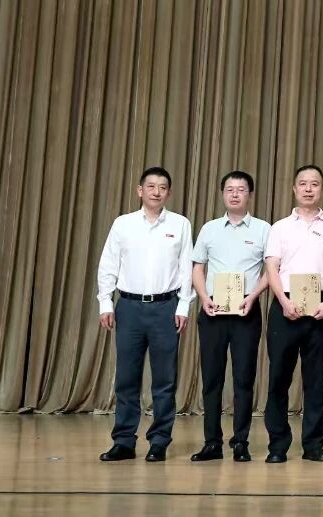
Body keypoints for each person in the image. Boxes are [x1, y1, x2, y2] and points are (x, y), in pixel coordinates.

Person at [96, 166, 194, 463]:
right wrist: (105, 302)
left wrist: (183, 306)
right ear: (140, 190)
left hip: (165, 308)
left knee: (164, 380)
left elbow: (186, 268)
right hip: (129, 307)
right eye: (150, 186)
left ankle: (159, 441)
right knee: (127, 378)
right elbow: (109, 263)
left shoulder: (180, 224)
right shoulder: (123, 224)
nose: (156, 192)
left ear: (169, 193)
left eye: (162, 187)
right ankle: (123, 441)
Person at [189, 170, 270, 463]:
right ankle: (211, 442)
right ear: (223, 194)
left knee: (243, 379)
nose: (235, 194)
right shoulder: (209, 229)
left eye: (241, 189)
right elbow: (198, 268)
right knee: (211, 379)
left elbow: (271, 270)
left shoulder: (263, 229)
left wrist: (253, 295)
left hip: (246, 311)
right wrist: (204, 297)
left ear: (250, 194)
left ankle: (241, 442)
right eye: (230, 189)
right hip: (213, 312)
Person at [263, 164, 323, 464]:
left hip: (321, 307)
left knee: (315, 380)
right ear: (294, 188)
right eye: (303, 183)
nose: (309, 189)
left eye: (315, 184)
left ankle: (314, 445)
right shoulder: (280, 227)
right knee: (278, 378)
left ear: (322, 189)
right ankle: (277, 445)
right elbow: (272, 267)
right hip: (285, 305)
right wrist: (283, 301)